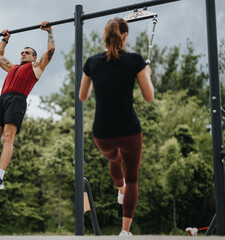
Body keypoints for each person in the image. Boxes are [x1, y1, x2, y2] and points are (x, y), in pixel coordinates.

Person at [79, 17, 154, 236]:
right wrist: (147, 75)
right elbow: (149, 97)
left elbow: (82, 96)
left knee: (115, 158)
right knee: (132, 178)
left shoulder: (92, 62)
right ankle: (124, 232)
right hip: (129, 129)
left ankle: (120, 190)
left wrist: (96, 81)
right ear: (125, 36)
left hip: (102, 133)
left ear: (105, 35)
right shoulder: (135, 60)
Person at [0, 21, 55, 192]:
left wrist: (49, 32)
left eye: (28, 53)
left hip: (17, 100)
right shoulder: (12, 67)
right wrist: (5, 39)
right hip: (2, 99)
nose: (23, 54)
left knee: (8, 137)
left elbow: (51, 51)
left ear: (34, 57)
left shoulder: (36, 68)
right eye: (22, 52)